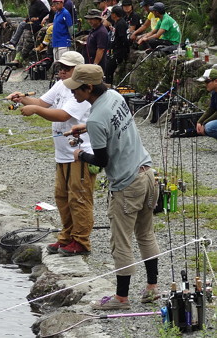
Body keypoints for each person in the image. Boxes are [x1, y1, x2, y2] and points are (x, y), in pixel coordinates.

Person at [64, 64, 160, 309]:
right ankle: (152, 289)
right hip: (148, 174)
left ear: (88, 88)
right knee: (146, 234)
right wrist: (85, 127)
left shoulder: (96, 117)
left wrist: (79, 154)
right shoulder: (116, 96)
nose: (73, 93)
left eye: (76, 89)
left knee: (121, 241)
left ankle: (121, 298)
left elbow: (101, 161)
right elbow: (114, 125)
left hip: (127, 185)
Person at [6, 51, 96, 256]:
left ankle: (81, 242)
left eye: (67, 68)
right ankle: (66, 237)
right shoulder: (60, 85)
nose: (61, 71)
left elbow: (63, 114)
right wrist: (23, 99)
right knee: (62, 197)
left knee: (79, 198)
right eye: (60, 68)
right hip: (62, 153)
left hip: (80, 153)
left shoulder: (82, 92)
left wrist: (35, 111)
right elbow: (42, 103)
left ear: (78, 71)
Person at [105, 6, 129, 85]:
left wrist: (124, 52)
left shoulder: (121, 23)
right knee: (107, 69)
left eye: (111, 13)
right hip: (114, 49)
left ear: (115, 14)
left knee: (109, 69)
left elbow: (123, 38)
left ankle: (109, 86)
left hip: (119, 51)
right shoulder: (116, 23)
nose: (111, 15)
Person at [196, 68, 217, 139]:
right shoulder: (214, 93)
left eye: (207, 82)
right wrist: (199, 122)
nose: (205, 84)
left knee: (209, 127)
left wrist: (204, 123)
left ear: (216, 81)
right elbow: (211, 109)